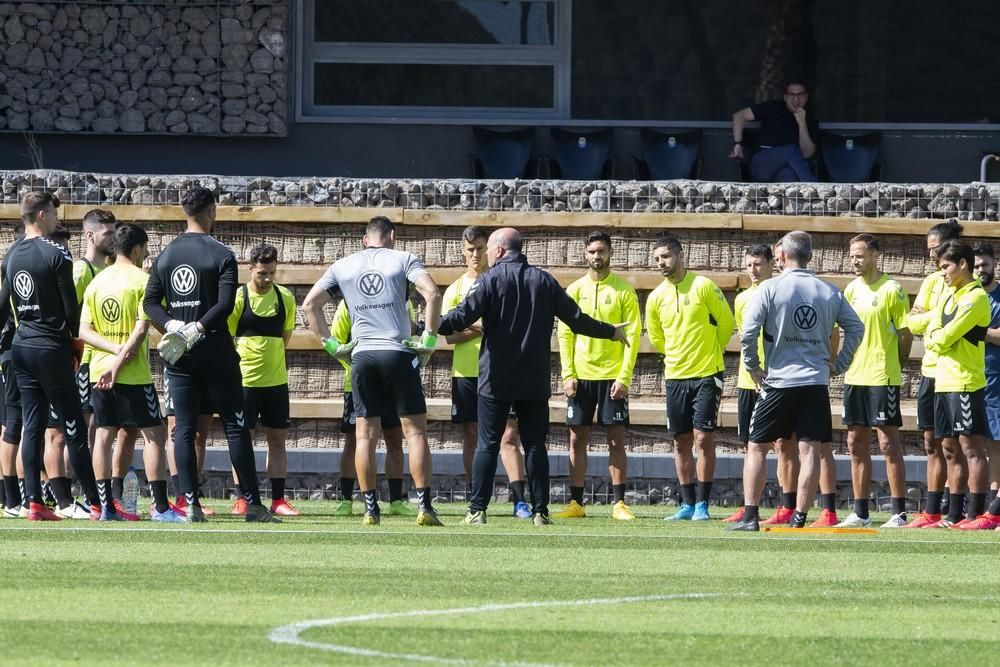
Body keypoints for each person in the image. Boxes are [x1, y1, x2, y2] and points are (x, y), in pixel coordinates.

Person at [438, 227, 628, 526]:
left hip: (495, 378)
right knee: (536, 444)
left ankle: (477, 510)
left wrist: (428, 324)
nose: (486, 254)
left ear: (499, 250)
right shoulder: (544, 280)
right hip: (534, 378)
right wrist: (611, 331)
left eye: (489, 249)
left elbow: (459, 317)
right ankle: (540, 511)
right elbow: (576, 320)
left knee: (487, 444)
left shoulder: (489, 280)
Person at [143, 187, 277, 523]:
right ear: (212, 211)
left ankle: (191, 504)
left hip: (180, 357)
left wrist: (172, 324)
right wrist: (198, 328)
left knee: (184, 430)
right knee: (235, 425)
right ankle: (253, 505)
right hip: (215, 349)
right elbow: (225, 304)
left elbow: (149, 304)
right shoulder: (222, 254)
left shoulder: (165, 256)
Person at [303, 215, 443, 526]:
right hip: (397, 351)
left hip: (362, 355)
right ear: (391, 236)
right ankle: (424, 507)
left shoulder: (343, 265)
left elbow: (310, 305)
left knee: (364, 436)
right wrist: (429, 339)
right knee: (415, 432)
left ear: (365, 239)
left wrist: (331, 346)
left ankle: (370, 510)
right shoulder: (404, 258)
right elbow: (433, 294)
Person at [730, 230, 863, 531]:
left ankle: (750, 516)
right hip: (815, 382)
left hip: (778, 381)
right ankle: (800, 517)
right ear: (811, 256)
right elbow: (856, 329)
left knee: (757, 447)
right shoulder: (828, 291)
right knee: (810, 449)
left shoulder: (770, 288)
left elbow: (748, 332)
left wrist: (752, 366)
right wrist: (838, 364)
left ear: (781, 256)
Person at [4, 192, 102, 521]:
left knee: (31, 425)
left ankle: (34, 502)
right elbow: (70, 311)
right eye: (55, 215)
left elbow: (4, 304)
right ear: (43, 215)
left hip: (22, 347)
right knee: (73, 423)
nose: (57, 221)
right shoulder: (56, 253)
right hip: (51, 347)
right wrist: (76, 343)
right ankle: (95, 503)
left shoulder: (11, 254)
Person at [79, 223, 183, 522]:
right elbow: (141, 329)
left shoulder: (97, 282)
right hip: (132, 375)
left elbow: (84, 330)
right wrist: (121, 359)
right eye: (146, 250)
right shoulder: (142, 281)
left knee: (102, 436)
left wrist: (111, 354)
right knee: (155, 435)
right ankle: (161, 508)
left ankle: (107, 508)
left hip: (99, 371)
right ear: (137, 249)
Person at [440, 226, 530, 518]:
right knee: (472, 435)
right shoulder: (455, 289)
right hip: (466, 371)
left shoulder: (502, 281)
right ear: (463, 252)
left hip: (500, 370)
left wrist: (475, 326)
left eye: (480, 248)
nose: (475, 255)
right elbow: (450, 335)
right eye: (470, 250)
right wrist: (482, 327)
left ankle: (519, 500)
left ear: (489, 249)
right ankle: (476, 497)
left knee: (507, 436)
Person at [645, 234, 735, 521]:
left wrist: (712, 351)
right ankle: (686, 503)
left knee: (703, 437)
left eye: (666, 257)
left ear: (680, 255)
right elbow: (657, 337)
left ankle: (702, 505)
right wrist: (676, 356)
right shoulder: (656, 297)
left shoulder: (703, 286)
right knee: (679, 440)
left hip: (707, 374)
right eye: (658, 259)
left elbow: (726, 322)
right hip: (675, 377)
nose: (662, 263)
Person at [554, 231, 641, 521]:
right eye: (592, 251)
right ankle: (576, 503)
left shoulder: (623, 291)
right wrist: (568, 373)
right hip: (581, 376)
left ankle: (619, 503)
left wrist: (624, 377)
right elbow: (564, 334)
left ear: (611, 253)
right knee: (576, 440)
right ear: (584, 254)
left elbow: (632, 338)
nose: (596, 256)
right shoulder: (574, 290)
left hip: (612, 377)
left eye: (601, 251)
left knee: (616, 440)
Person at [837, 234, 912, 529]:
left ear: (875, 255)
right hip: (855, 375)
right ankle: (861, 513)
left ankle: (899, 513)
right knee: (855, 443)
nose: (854, 261)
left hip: (882, 375)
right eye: (852, 256)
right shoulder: (851, 290)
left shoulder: (893, 290)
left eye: (859, 255)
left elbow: (905, 334)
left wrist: (897, 363)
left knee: (887, 442)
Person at [723, 244, 800, 526]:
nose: (753, 270)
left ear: (771, 264)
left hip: (777, 381)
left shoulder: (781, 293)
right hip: (748, 381)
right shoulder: (742, 299)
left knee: (784, 444)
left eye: (758, 264)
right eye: (749, 265)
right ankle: (749, 506)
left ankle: (787, 505)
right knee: (751, 446)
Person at [226, 243, 300, 517]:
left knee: (277, 441)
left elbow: (285, 338)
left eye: (271, 273)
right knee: (242, 440)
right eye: (261, 274)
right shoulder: (238, 298)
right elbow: (227, 338)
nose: (267, 279)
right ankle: (242, 498)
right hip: (244, 383)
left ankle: (278, 499)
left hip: (276, 383)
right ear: (250, 269)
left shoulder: (286, 298)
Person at [924, 241, 993, 530]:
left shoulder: (975, 298)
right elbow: (930, 333)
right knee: (949, 447)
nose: (943, 274)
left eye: (946, 267)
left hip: (966, 380)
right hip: (943, 380)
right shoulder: (949, 296)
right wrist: (936, 336)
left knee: (971, 446)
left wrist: (937, 336)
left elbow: (945, 336)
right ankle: (953, 514)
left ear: (962, 264)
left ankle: (976, 514)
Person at [329, 299, 416, 518]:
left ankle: (396, 500)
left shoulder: (403, 302)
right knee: (354, 440)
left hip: (393, 383)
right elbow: (336, 341)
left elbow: (407, 338)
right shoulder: (348, 302)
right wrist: (356, 367)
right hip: (358, 384)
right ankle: (347, 500)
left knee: (395, 439)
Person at [903, 221, 962, 528]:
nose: (931, 255)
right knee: (930, 443)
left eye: (935, 248)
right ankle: (931, 510)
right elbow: (912, 322)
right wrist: (934, 317)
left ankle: (958, 509)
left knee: (954, 445)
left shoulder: (964, 279)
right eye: (928, 250)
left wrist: (928, 318)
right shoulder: (930, 282)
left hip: (954, 373)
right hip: (929, 371)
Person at [730, 81, 819, 183]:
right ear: (785, 97)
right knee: (792, 149)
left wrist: (802, 123)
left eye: (800, 95)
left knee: (789, 175)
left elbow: (807, 154)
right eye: (792, 95)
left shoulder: (810, 120)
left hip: (783, 168)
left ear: (806, 97)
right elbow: (739, 116)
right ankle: (812, 186)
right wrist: (737, 144)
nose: (796, 99)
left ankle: (791, 198)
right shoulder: (773, 107)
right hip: (761, 163)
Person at [973, 244, 1000, 500]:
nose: (981, 270)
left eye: (985, 264)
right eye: (977, 266)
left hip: (995, 378)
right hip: (968, 378)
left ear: (994, 263)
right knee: (968, 442)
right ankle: (970, 502)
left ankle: (995, 499)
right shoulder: (968, 296)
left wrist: (979, 332)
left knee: (995, 441)